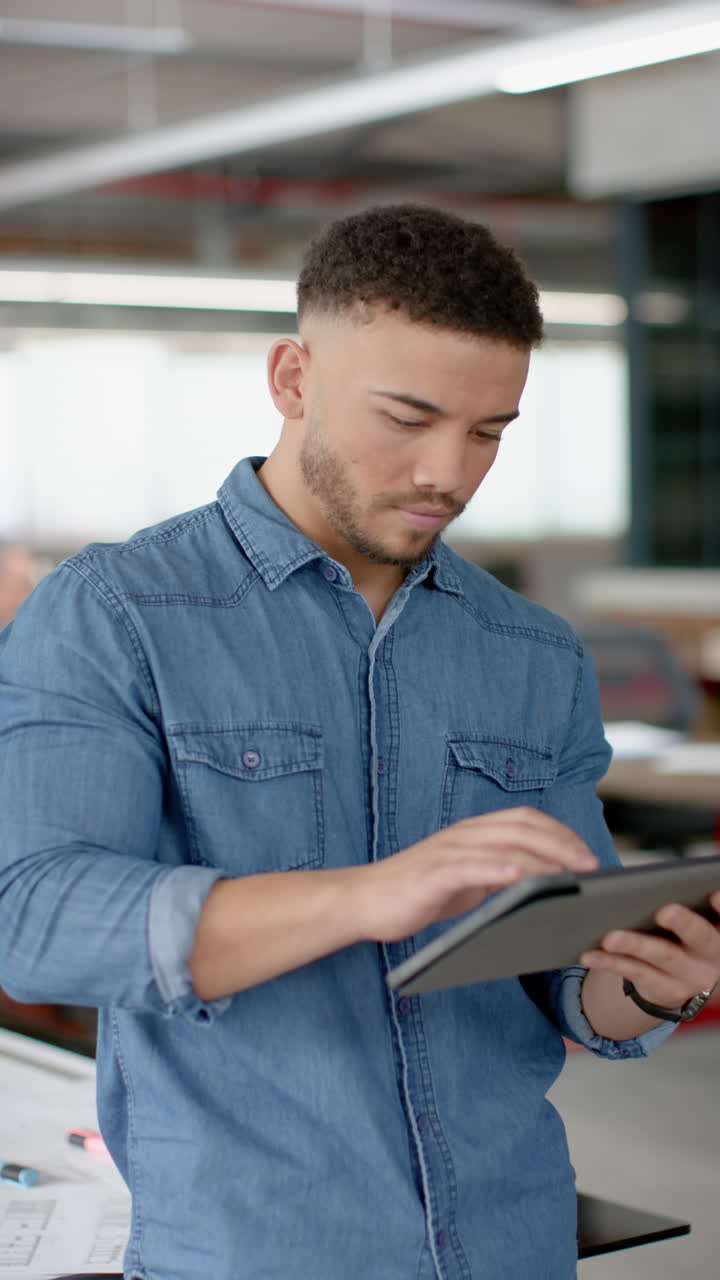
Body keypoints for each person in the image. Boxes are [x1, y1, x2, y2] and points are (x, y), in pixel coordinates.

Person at [1, 204, 719, 1280]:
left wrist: (659, 978)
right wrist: (366, 896)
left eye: (488, 432)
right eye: (408, 417)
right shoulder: (116, 611)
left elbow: (571, 982)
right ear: (293, 378)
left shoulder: (533, 653)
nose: (447, 472)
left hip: (513, 1244)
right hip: (253, 1254)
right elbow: (37, 921)